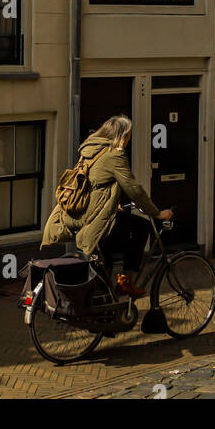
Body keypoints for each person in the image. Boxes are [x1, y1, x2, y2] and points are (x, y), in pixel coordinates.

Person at [41, 115, 173, 298]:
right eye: (128, 136)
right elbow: (134, 189)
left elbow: (95, 183)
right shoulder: (115, 155)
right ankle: (126, 282)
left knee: (107, 254)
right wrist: (157, 213)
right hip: (93, 218)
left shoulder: (90, 149)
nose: (128, 140)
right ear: (121, 136)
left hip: (76, 214)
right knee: (142, 227)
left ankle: (105, 300)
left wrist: (114, 205)